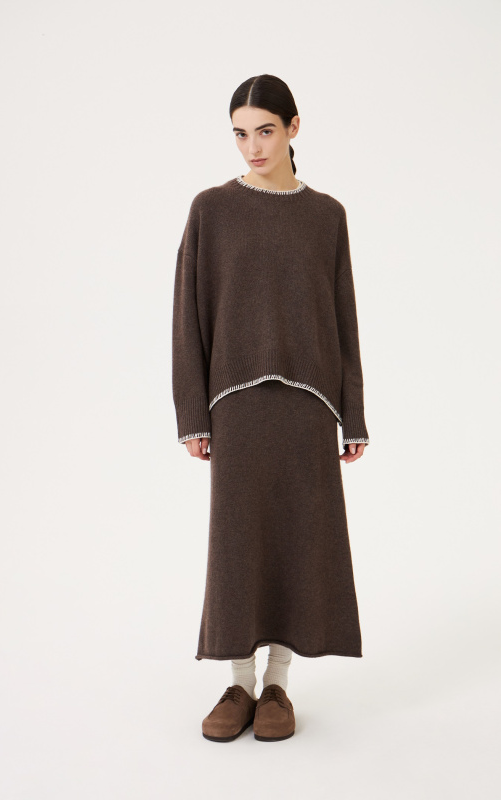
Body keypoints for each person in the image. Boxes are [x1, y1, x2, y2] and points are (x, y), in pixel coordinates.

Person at [172, 74, 370, 743]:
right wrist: (192, 414)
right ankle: (238, 683)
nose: (252, 146)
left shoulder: (327, 216)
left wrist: (353, 414)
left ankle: (279, 684)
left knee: (298, 539)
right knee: (237, 544)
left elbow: (343, 318)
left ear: (293, 127)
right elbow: (188, 316)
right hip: (235, 404)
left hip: (309, 406)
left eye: (264, 130)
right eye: (240, 133)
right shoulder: (211, 209)